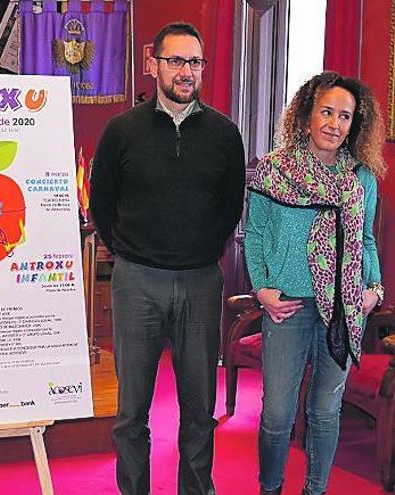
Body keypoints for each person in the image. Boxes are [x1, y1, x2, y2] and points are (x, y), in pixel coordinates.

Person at [90, 21, 246, 495]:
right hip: (137, 281)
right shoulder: (121, 131)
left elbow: (230, 204)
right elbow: (101, 203)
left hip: (201, 282)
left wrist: (201, 251)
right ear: (154, 64)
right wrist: (128, 251)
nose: (185, 71)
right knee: (131, 412)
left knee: (199, 410)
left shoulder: (224, 133)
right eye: (176, 60)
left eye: (194, 62)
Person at [245, 72, 386, 495]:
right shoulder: (273, 170)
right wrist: (261, 289)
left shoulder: (362, 180)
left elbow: (365, 240)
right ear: (306, 117)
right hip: (286, 305)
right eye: (326, 111)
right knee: (277, 414)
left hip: (343, 310)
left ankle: (315, 490)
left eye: (345, 116)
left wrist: (374, 289)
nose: (334, 123)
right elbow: (254, 234)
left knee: (326, 411)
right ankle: (269, 488)